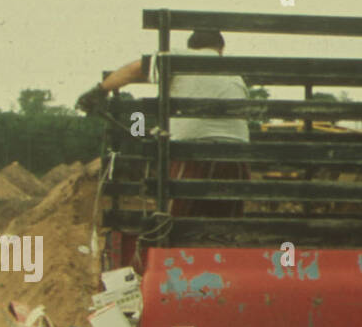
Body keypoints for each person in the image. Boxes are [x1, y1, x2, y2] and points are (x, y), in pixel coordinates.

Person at [78, 28, 250, 218]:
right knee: (225, 225)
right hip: (237, 159)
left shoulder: (178, 58)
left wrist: (100, 91)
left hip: (193, 154)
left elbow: (133, 71)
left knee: (176, 223)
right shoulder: (234, 74)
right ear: (220, 49)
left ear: (191, 47)